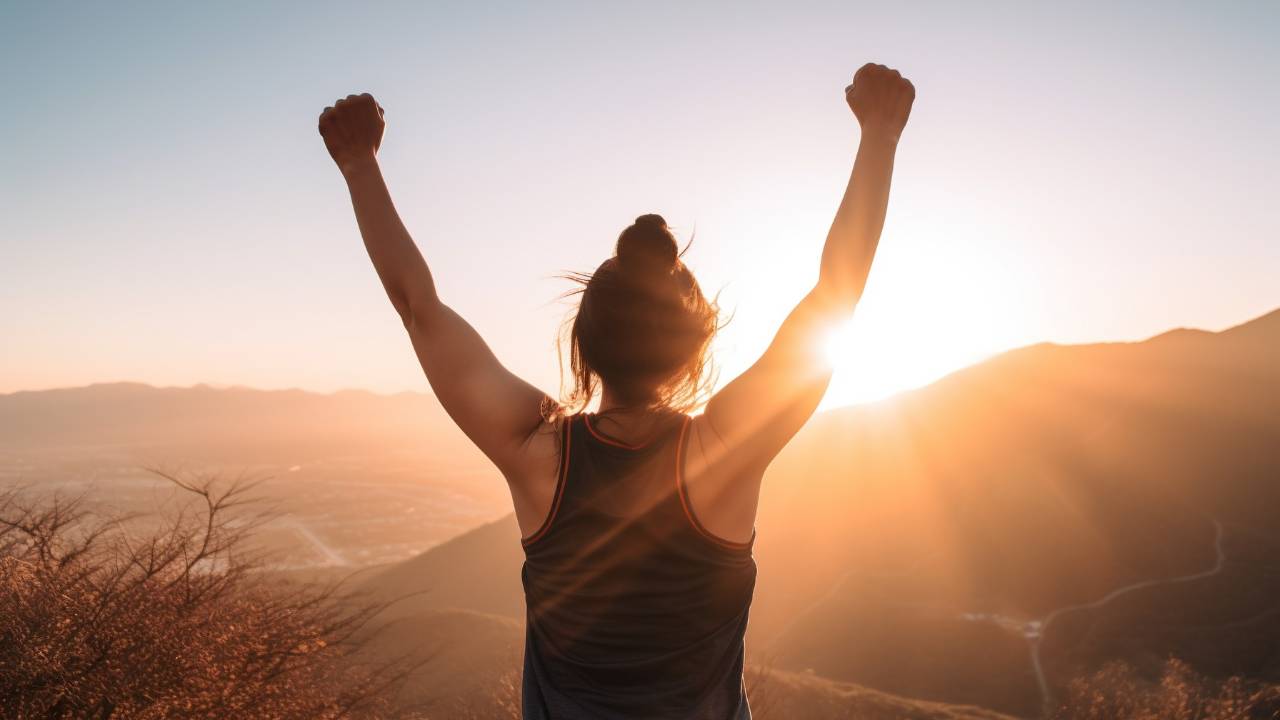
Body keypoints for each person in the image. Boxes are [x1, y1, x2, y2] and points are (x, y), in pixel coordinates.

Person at [319, 61, 914, 720]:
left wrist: (360, 165)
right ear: (693, 349)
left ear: (585, 342)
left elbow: (418, 307)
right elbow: (837, 296)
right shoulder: (721, 452)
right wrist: (879, 137)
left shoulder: (536, 450)